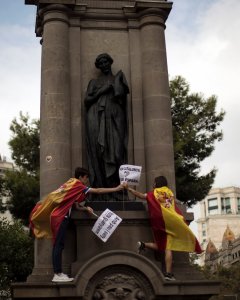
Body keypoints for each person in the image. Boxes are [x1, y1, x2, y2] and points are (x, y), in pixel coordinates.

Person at [30, 167, 123, 283]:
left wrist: (85, 208)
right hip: (60, 217)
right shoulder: (78, 185)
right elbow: (98, 191)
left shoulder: (70, 184)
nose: (87, 181)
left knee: (59, 245)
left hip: (58, 216)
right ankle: (57, 274)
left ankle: (58, 273)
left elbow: (75, 205)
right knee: (58, 245)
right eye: (86, 178)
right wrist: (116, 188)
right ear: (80, 177)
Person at [123, 176, 202, 281]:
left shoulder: (154, 193)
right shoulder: (169, 192)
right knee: (168, 248)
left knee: (162, 245)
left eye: (154, 182)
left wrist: (129, 188)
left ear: (156, 183)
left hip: (158, 220)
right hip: (171, 220)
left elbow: (141, 196)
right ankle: (168, 274)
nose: (153, 184)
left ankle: (143, 244)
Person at [84, 53, 129, 193]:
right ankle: (103, 190)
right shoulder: (94, 82)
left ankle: (119, 189)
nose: (104, 65)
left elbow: (122, 98)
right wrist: (102, 91)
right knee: (99, 152)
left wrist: (117, 88)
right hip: (97, 116)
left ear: (110, 62)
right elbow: (87, 100)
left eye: (105, 62)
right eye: (101, 63)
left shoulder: (118, 78)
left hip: (115, 116)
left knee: (117, 152)